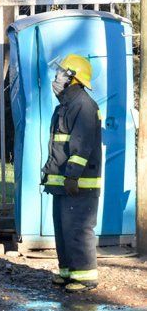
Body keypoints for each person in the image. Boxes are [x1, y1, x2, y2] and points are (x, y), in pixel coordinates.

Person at [42, 53, 102, 292]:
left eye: (61, 73)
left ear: (72, 79)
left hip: (79, 183)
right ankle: (68, 271)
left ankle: (85, 276)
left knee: (78, 229)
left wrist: (72, 176)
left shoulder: (84, 106)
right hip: (64, 182)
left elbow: (81, 144)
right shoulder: (66, 106)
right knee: (64, 228)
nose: (56, 77)